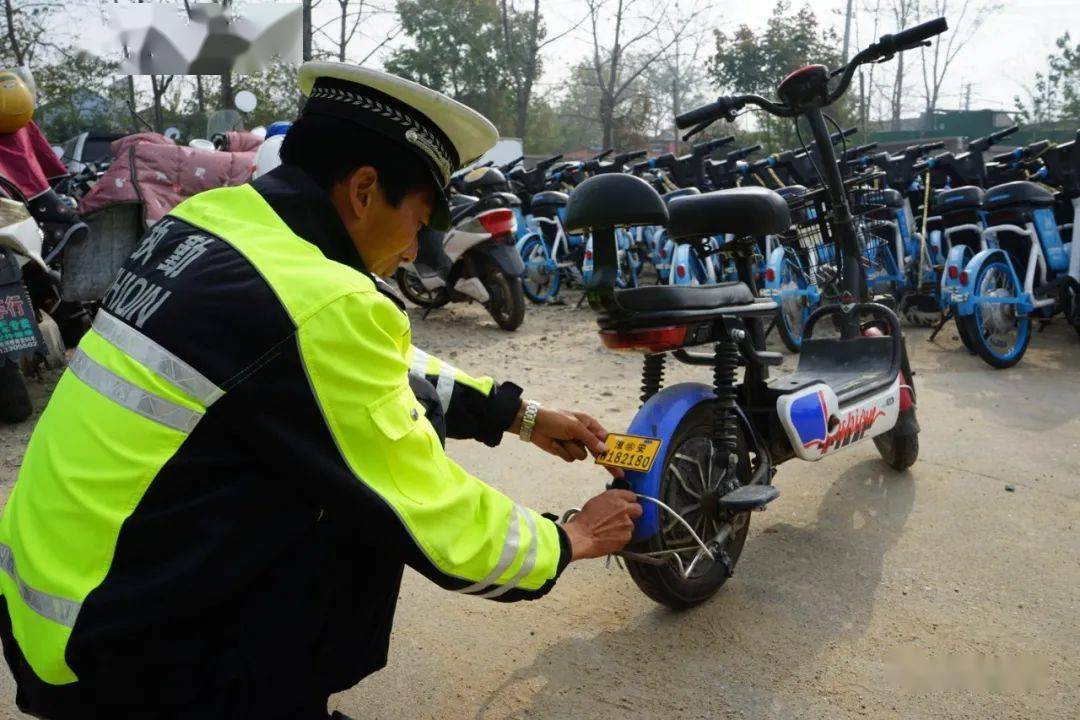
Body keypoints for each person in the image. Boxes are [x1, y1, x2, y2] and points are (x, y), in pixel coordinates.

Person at [0, 62, 642, 719]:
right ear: (364, 189)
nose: (422, 245)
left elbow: (357, 369)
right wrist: (569, 539)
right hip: (114, 651)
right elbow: (431, 511)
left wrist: (519, 415)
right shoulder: (319, 303)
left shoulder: (211, 223)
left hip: (55, 598)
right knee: (360, 504)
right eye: (422, 216)